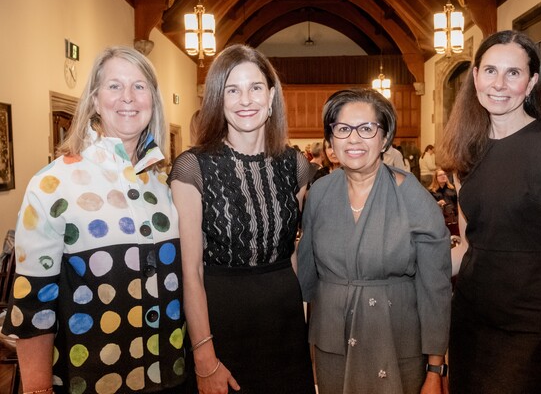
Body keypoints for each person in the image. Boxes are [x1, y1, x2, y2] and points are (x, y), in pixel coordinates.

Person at [1, 46, 186, 393]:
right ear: (95, 101)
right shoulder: (52, 184)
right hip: (91, 378)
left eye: (140, 86)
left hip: (170, 375)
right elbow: (34, 306)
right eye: (114, 86)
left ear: (153, 101)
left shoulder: (163, 185)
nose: (128, 97)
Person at [437, 30, 541, 394]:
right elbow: (468, 245)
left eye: (513, 73)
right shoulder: (467, 152)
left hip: (533, 321)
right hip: (472, 317)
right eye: (490, 71)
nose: (500, 84)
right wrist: (406, 269)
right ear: (475, 76)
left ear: (533, 81)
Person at [168, 44, 315, 394]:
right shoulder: (193, 167)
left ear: (271, 95)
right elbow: (190, 271)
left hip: (285, 323)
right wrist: (204, 356)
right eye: (232, 90)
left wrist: (305, 318)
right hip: (222, 322)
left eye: (255, 88)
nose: (245, 100)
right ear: (218, 99)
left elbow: (291, 251)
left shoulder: (295, 165)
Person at [298, 88, 452, 394]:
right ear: (331, 140)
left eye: (367, 129)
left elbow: (435, 289)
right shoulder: (319, 194)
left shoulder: (414, 198)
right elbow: (305, 276)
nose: (353, 139)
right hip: (332, 342)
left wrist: (436, 369)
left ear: (384, 138)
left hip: (395, 340)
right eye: (342, 129)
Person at [428, 168, 458, 234]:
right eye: (440, 175)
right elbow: (428, 206)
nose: (443, 176)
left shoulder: (452, 189)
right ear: (436, 178)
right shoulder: (432, 191)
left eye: (444, 174)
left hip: (454, 218)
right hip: (440, 219)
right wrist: (437, 203)